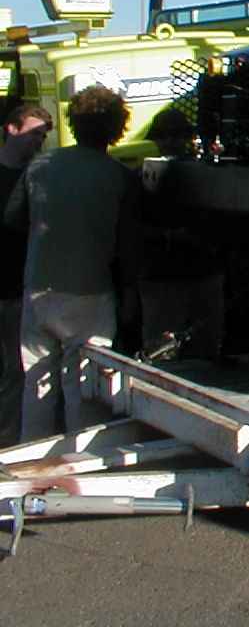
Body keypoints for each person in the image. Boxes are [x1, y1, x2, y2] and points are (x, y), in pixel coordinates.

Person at [6, 86, 140, 440]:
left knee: (36, 381)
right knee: (83, 385)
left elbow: (14, 218)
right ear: (117, 128)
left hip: (38, 287)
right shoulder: (118, 176)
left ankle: (29, 458)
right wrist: (129, 295)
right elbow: (128, 244)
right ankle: (81, 458)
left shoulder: (39, 166)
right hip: (90, 291)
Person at [137, 107, 225, 362]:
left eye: (176, 136)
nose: (171, 142)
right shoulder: (144, 177)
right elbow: (135, 226)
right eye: (165, 136)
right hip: (163, 276)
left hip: (200, 272)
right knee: (161, 350)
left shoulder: (205, 173)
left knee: (204, 345)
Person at [0, 104, 53, 445]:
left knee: (17, 372)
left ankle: (10, 445)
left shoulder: (37, 177)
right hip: (4, 286)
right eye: (34, 132)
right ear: (11, 129)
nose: (40, 140)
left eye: (44, 135)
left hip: (22, 287)